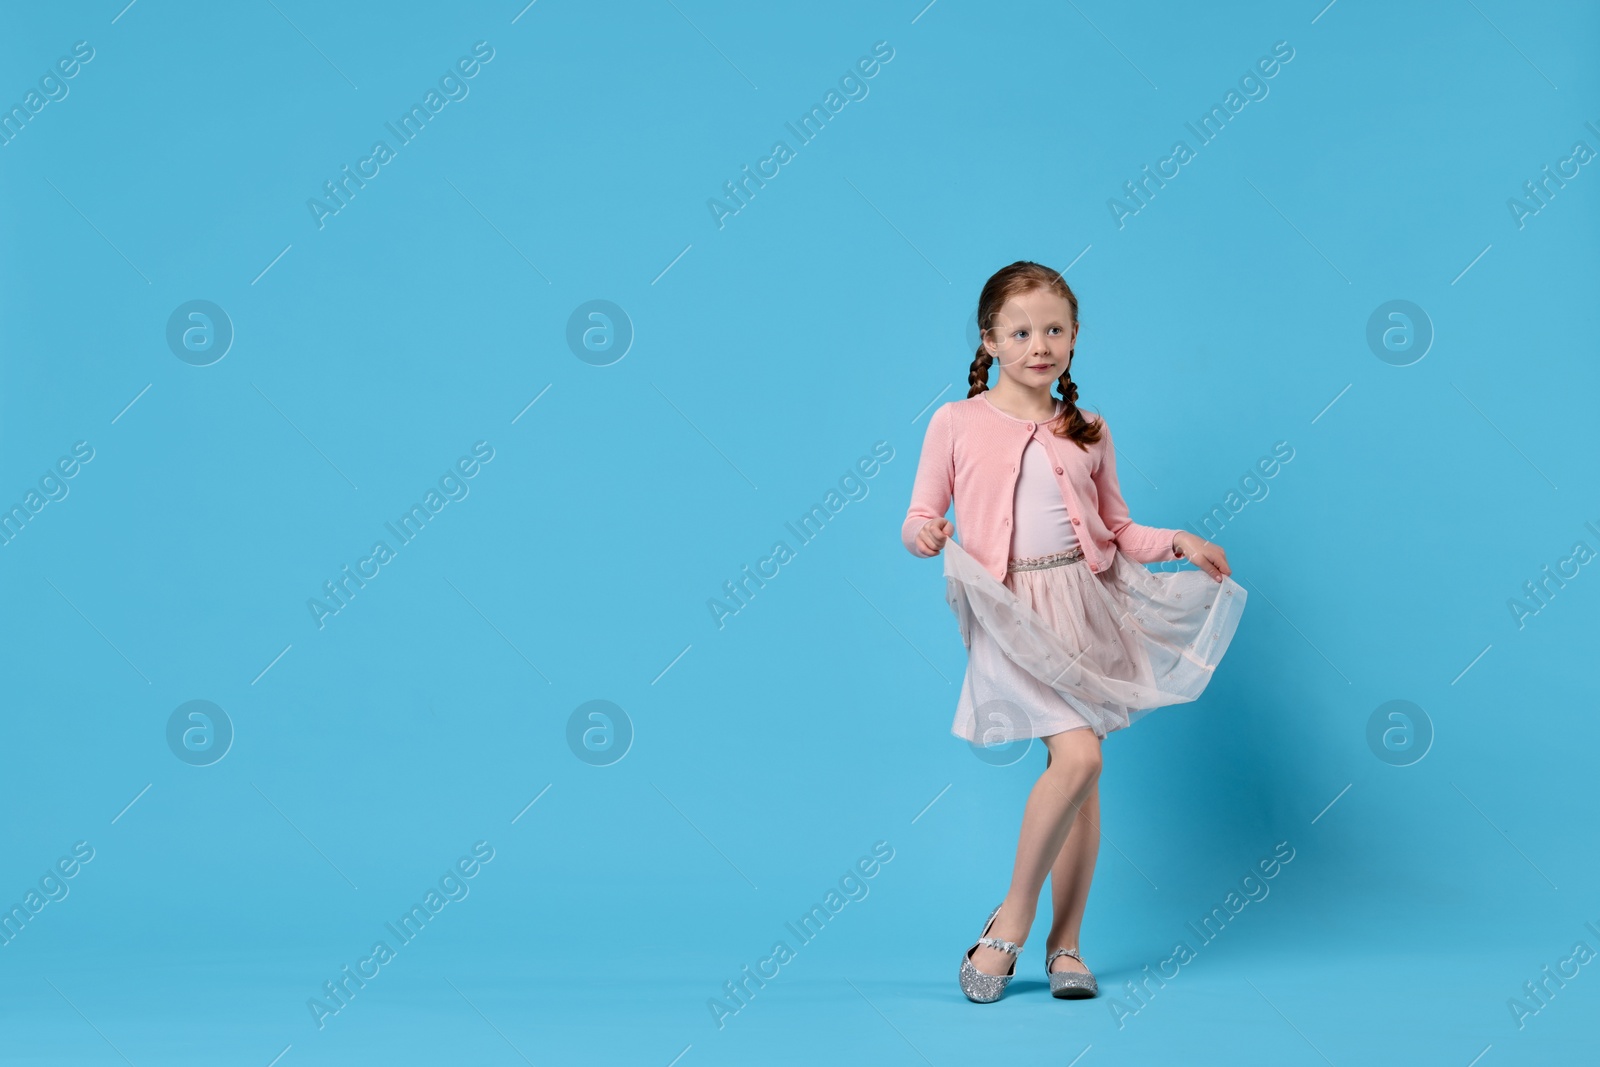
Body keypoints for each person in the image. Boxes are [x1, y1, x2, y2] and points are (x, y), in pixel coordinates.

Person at [900, 260, 1248, 1003]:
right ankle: (1010, 920)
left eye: (1054, 329)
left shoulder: (1087, 428)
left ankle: (1068, 947)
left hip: (1084, 604)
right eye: (1021, 330)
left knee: (1084, 780)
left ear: (1075, 337)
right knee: (1080, 755)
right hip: (1009, 606)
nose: (1039, 344)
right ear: (990, 340)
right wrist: (926, 533)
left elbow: (1117, 528)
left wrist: (1178, 539)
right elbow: (917, 515)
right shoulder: (955, 422)